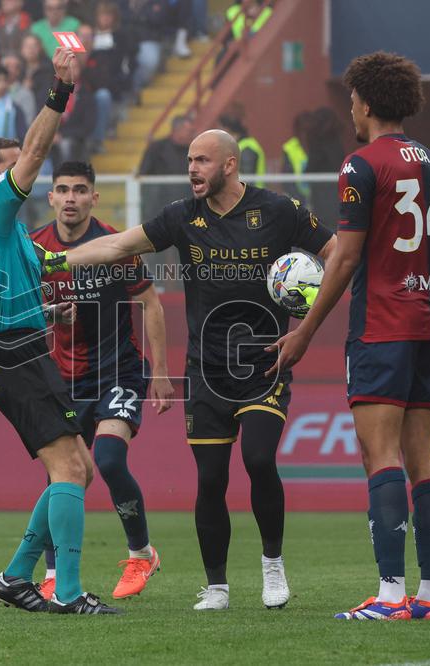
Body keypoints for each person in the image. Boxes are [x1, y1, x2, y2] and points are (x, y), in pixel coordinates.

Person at [38, 129, 337, 611]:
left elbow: (336, 253)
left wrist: (307, 323)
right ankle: (216, 586)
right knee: (211, 480)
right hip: (205, 372)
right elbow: (118, 246)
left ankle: (273, 565)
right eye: (189, 160)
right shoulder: (182, 217)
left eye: (201, 160)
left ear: (230, 165)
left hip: (265, 363)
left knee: (260, 459)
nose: (192, 169)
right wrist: (55, 258)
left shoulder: (279, 211)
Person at [271, 51, 430, 622]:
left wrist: (303, 332)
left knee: (380, 455)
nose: (349, 107)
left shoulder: (360, 164)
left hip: (379, 324)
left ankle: (391, 595)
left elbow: (345, 257)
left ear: (367, 102)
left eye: (352, 98)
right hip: (427, 316)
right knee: (424, 456)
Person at [0, 46, 120, 615]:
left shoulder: (18, 243)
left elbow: (75, 261)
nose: (24, 171)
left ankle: (14, 577)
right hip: (10, 356)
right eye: (11, 166)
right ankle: (71, 594)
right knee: (70, 467)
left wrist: (153, 235)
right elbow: (34, 149)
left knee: (76, 465)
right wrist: (59, 90)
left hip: (25, 348)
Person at [30, 161, 174, 601]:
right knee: (63, 475)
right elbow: (21, 307)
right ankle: (54, 574)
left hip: (119, 371)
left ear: (94, 197)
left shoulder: (114, 245)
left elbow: (151, 303)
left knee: (109, 460)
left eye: (79, 190)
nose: (70, 197)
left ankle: (140, 553)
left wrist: (162, 372)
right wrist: (52, 314)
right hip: (65, 379)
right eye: (62, 189)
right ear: (51, 198)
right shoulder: (35, 247)